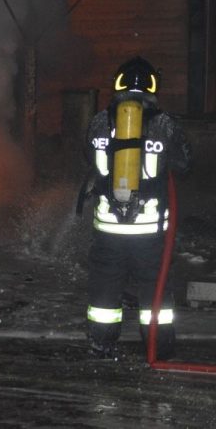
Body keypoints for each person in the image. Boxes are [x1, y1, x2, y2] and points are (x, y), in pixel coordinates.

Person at [82, 56, 191, 360]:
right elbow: (184, 165)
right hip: (150, 231)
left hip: (108, 229)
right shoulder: (165, 124)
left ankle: (101, 344)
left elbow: (88, 156)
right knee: (154, 292)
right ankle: (159, 348)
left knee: (104, 290)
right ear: (154, 86)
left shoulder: (100, 121)